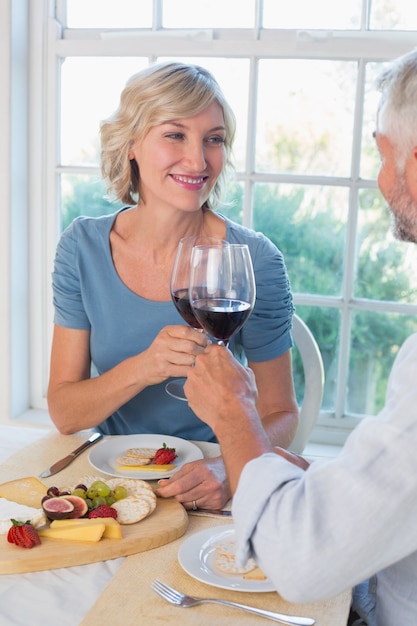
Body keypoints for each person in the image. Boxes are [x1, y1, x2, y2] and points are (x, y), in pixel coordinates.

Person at [184, 47, 417, 625]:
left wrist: (235, 415)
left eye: (383, 155)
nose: (380, 178)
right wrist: (334, 484)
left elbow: (302, 564)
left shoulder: (256, 254)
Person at [47, 61, 299, 511]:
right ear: (130, 145)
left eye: (214, 139)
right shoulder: (81, 247)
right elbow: (66, 414)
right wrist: (146, 366)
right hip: (114, 478)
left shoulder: (254, 259)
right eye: (175, 134)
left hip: (211, 479)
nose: (199, 160)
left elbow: (281, 413)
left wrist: (230, 469)